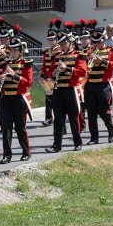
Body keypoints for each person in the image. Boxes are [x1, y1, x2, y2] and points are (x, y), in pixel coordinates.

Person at [44, 22, 87, 152]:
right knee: (58, 120)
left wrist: (67, 68)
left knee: (73, 118)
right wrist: (53, 73)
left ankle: (77, 143)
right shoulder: (57, 56)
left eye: (64, 44)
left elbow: (82, 72)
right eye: (61, 44)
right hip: (58, 91)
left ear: (70, 43)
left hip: (70, 90)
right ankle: (57, 145)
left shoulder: (79, 55)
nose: (62, 47)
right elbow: (49, 72)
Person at [0, 29, 34, 163]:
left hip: (19, 99)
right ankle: (7, 155)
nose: (12, 53)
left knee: (20, 127)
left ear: (20, 52)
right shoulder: (5, 64)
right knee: (6, 128)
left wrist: (14, 76)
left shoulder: (26, 64)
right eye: (10, 51)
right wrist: (2, 78)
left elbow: (28, 82)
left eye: (15, 51)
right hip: (6, 99)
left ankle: (25, 151)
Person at [82, 21, 113, 144]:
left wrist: (103, 61)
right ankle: (94, 138)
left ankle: (111, 130)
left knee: (104, 111)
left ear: (104, 40)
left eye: (99, 42)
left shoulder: (112, 51)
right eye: (94, 42)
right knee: (91, 113)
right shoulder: (89, 51)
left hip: (103, 85)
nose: (97, 45)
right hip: (90, 85)